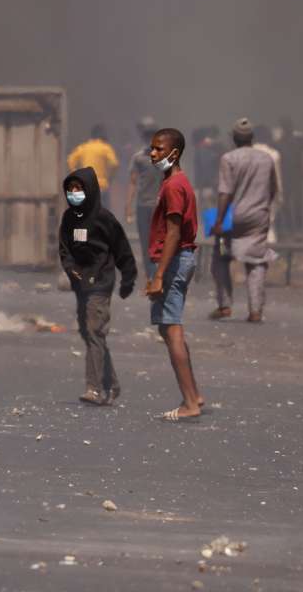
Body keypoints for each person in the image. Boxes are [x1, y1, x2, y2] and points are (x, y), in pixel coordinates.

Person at [60, 167, 137, 406]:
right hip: (80, 283)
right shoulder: (69, 218)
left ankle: (94, 388)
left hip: (101, 282)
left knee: (94, 332)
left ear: (90, 190)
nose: (74, 193)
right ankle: (112, 384)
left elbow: (122, 250)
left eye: (79, 189)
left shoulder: (105, 219)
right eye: (71, 189)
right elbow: (64, 250)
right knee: (91, 334)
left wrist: (128, 279)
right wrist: (71, 268)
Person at [146, 128, 204, 421]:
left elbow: (173, 233)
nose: (152, 154)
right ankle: (195, 394)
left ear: (174, 153)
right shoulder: (173, 182)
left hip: (175, 259)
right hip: (179, 259)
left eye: (158, 149)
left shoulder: (173, 186)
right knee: (169, 329)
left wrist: (159, 275)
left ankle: (190, 403)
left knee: (172, 330)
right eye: (151, 149)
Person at [209, 119, 278, 323]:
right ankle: (255, 310)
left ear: (234, 138)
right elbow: (273, 189)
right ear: (251, 138)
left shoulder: (228, 158)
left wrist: (219, 221)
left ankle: (224, 305)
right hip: (258, 217)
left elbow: (225, 192)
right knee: (256, 261)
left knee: (221, 255)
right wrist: (265, 209)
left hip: (233, 217)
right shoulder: (266, 159)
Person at [125, 117, 161, 260]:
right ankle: (150, 277)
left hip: (161, 206)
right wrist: (128, 205)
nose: (148, 137)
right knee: (145, 244)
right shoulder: (138, 158)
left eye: (151, 134)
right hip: (143, 206)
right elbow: (133, 182)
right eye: (146, 134)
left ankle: (158, 275)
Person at [67, 124, 120, 199]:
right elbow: (114, 164)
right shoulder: (106, 148)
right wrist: (109, 178)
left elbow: (70, 161)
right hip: (101, 186)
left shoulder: (83, 147)